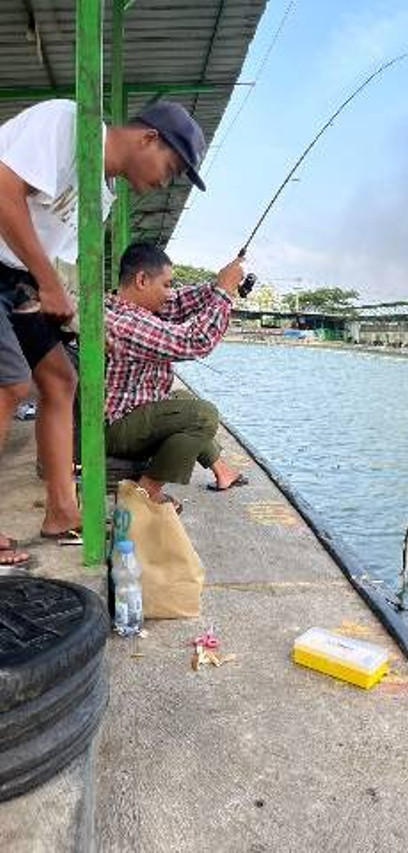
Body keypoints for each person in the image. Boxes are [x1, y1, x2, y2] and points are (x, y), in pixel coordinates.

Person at [0, 98, 207, 563]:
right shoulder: (66, 122)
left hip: (17, 280)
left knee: (60, 379)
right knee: (11, 384)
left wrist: (84, 322)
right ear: (148, 138)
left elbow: (60, 266)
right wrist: (50, 285)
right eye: (171, 168)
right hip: (9, 270)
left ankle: (61, 511)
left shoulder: (105, 193)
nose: (165, 182)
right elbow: (2, 191)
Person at [105, 242, 247, 506]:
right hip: (115, 428)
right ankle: (145, 494)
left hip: (126, 413)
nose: (170, 293)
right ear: (142, 280)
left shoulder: (122, 306)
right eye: (166, 285)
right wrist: (225, 292)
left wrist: (218, 284)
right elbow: (197, 341)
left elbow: (178, 302)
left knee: (182, 398)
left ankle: (222, 471)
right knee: (203, 415)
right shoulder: (125, 324)